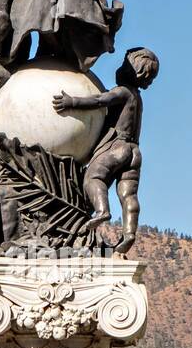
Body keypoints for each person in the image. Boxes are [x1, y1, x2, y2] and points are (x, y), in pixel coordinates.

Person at [53, 46, 159, 254]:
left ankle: (102, 211)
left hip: (116, 147)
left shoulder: (123, 92)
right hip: (134, 151)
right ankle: (129, 234)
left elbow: (100, 100)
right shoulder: (137, 97)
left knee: (93, 179)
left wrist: (71, 102)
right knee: (128, 193)